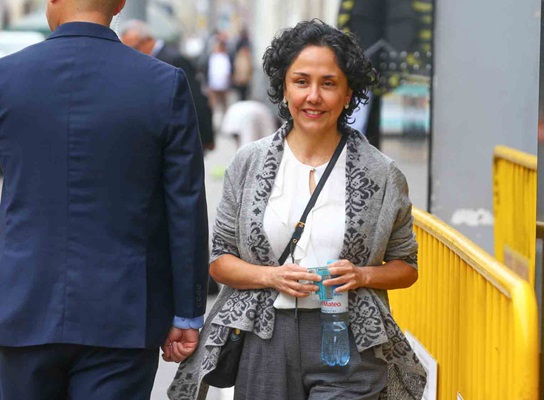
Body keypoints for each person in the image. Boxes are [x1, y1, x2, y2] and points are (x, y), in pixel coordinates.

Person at [168, 19, 426, 400]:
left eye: (328, 83)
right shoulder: (248, 164)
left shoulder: (382, 174)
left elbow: (407, 266)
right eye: (301, 81)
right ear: (284, 88)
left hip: (349, 340)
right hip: (266, 338)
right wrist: (271, 277)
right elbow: (220, 260)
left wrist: (362, 275)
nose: (313, 96)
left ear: (348, 93)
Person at [0, 1, 209, 399]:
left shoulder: (6, 77)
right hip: (124, 312)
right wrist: (187, 311)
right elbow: (185, 206)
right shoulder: (163, 83)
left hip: (22, 304)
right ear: (121, 3)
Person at [120, 19, 215, 151]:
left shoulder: (172, 59)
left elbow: (195, 98)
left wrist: (206, 136)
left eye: (135, 48)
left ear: (148, 40)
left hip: (178, 141)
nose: (132, 54)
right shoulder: (146, 61)